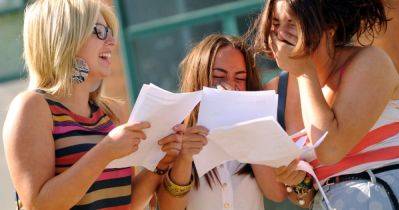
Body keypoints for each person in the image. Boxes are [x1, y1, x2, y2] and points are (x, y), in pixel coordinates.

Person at [2, 0, 182, 209]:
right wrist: (106, 151)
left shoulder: (111, 113)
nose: (113, 41)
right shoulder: (32, 107)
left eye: (110, 32)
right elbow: (38, 205)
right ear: (65, 38)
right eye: (100, 31)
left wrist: (162, 162)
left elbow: (127, 203)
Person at [251, 0, 399, 209]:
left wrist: (303, 71)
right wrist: (300, 183)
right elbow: (288, 193)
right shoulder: (276, 91)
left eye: (293, 23)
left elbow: (330, 149)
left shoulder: (371, 62)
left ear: (329, 28)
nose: (281, 34)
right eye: (276, 23)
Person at [157, 34, 288, 210]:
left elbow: (277, 194)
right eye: (219, 76)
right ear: (199, 78)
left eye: (240, 78)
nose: (230, 86)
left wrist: (249, 130)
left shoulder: (256, 127)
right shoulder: (175, 133)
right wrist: (185, 158)